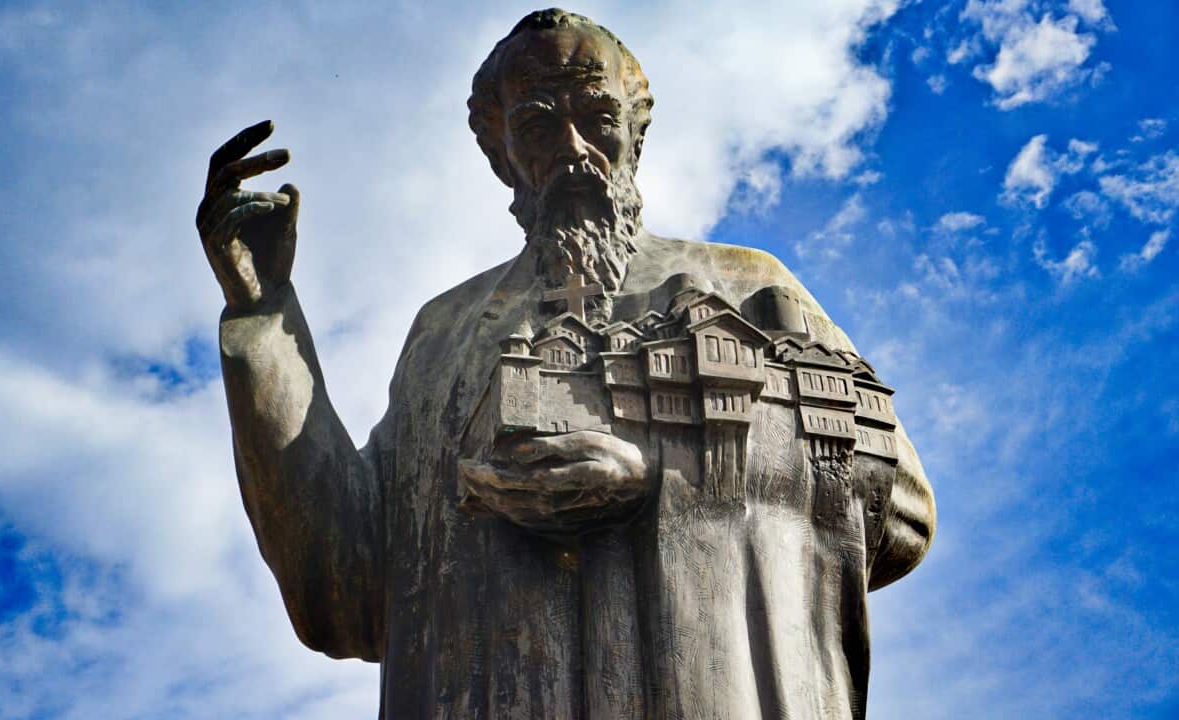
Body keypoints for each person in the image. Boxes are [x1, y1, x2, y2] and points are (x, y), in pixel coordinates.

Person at [196, 9, 935, 719]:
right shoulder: (445, 334)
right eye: (539, 124)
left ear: (635, 134)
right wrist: (262, 318)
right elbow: (346, 583)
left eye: (598, 118)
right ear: (501, 153)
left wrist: (658, 473)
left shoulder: (745, 287)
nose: (575, 149)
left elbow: (897, 503)